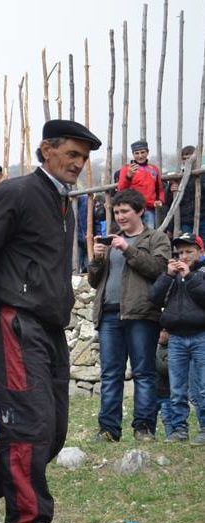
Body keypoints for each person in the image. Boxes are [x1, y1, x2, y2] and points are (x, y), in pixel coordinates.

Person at [0, 119, 102, 523]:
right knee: (27, 425)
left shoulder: (64, 205)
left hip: (51, 326)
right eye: (72, 154)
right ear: (46, 150)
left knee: (53, 432)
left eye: (84, 158)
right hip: (16, 320)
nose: (78, 164)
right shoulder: (15, 193)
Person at [89, 189, 170, 442]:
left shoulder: (156, 238)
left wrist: (127, 249)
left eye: (125, 211)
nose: (120, 216)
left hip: (142, 315)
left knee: (144, 373)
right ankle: (108, 430)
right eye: (116, 212)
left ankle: (143, 428)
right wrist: (97, 260)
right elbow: (94, 282)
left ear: (140, 211)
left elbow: (159, 270)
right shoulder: (111, 241)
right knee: (110, 374)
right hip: (109, 315)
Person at [149, 233, 205, 444]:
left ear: (200, 252)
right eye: (180, 252)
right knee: (177, 388)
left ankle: (204, 428)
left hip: (201, 336)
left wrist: (189, 277)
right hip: (176, 338)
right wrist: (168, 276)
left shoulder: (201, 272)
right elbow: (154, 297)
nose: (184, 256)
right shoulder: (172, 276)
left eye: (189, 251)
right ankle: (179, 429)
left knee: (202, 387)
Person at [117, 140, 165, 228]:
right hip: (132, 209)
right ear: (133, 154)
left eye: (143, 152)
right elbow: (121, 190)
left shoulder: (154, 169)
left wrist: (160, 200)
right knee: (133, 235)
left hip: (149, 209)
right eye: (136, 153)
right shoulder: (126, 169)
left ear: (147, 152)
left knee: (148, 236)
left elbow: (160, 189)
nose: (140, 156)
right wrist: (128, 176)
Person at [167, 145, 205, 237]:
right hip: (185, 219)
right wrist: (171, 190)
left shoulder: (203, 175)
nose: (188, 161)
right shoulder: (178, 177)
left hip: (203, 217)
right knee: (187, 245)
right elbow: (169, 202)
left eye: (190, 158)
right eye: (184, 159)